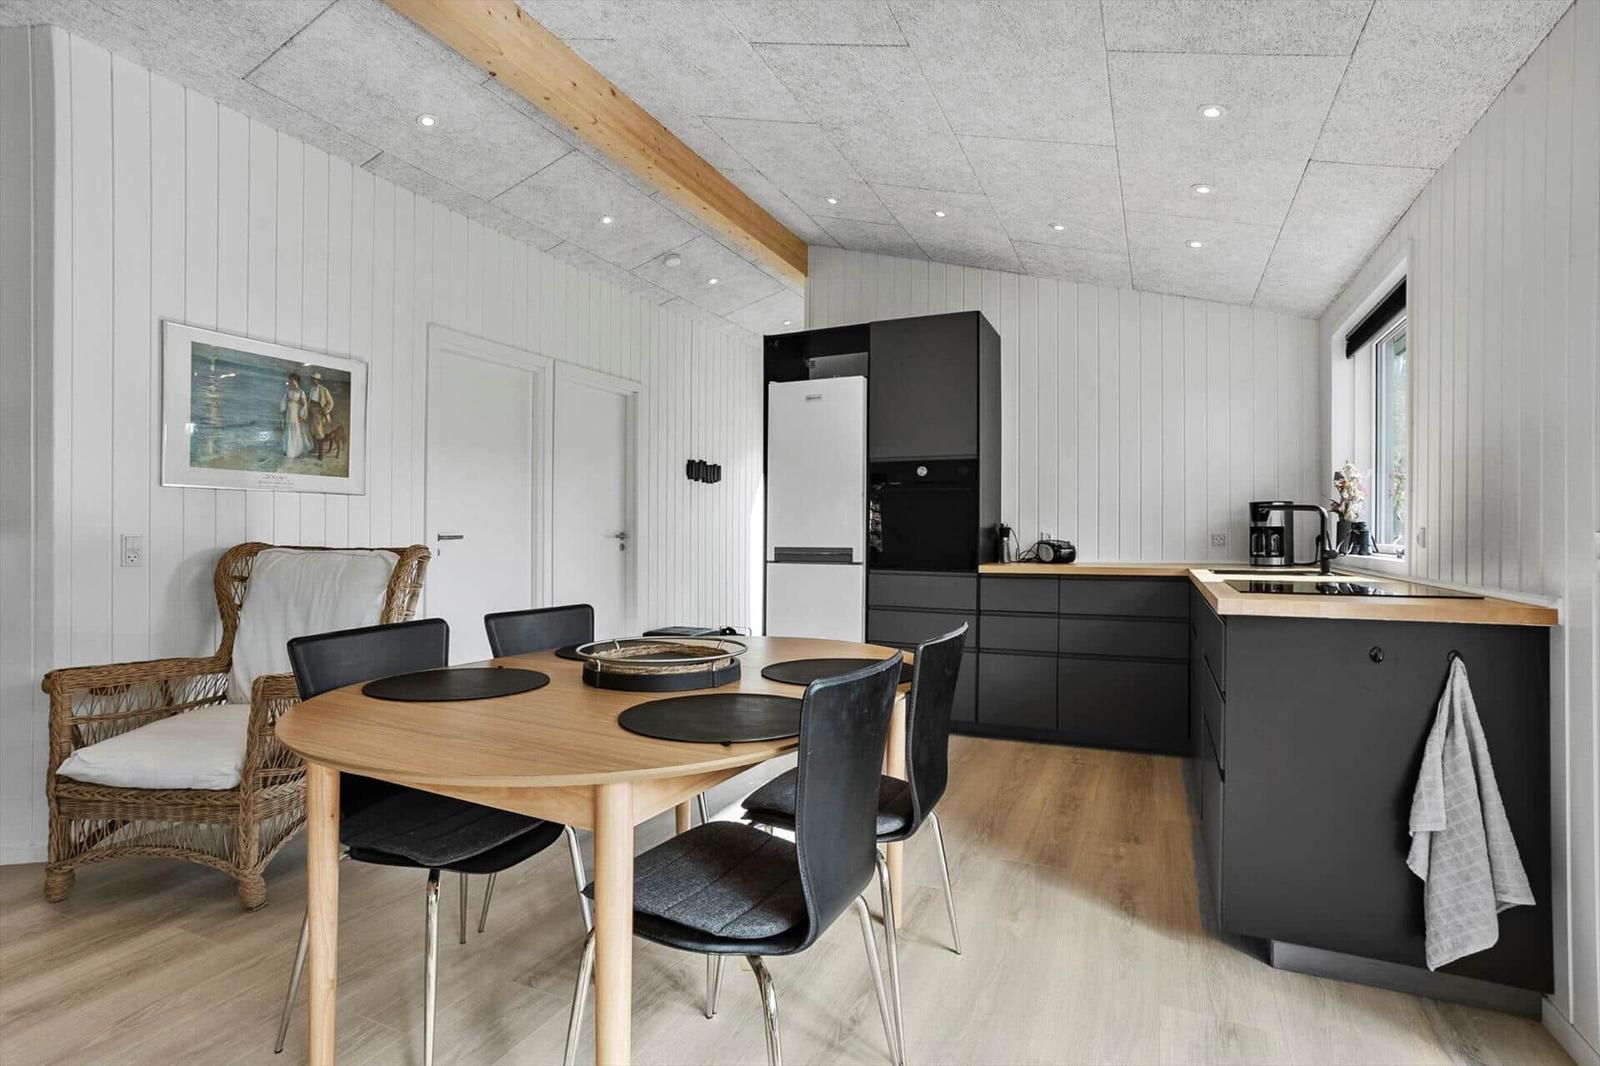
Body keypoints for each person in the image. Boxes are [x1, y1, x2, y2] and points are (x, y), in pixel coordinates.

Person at [280, 373, 311, 460]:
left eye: (292, 380)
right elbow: (284, 402)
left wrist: (302, 414)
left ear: (296, 381)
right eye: (290, 381)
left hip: (296, 413)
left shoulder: (301, 392)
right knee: (289, 430)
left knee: (296, 430)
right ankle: (289, 450)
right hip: (289, 413)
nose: (291, 382)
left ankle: (297, 450)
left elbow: (305, 404)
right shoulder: (288, 391)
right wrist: (282, 410)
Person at [307, 371, 335, 454]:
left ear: (318, 381)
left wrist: (324, 411)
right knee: (312, 430)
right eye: (312, 379)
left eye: (315, 379)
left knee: (319, 431)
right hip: (311, 411)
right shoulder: (312, 389)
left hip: (319, 412)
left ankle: (320, 452)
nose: (313, 381)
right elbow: (310, 401)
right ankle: (315, 448)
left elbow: (331, 402)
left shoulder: (323, 390)